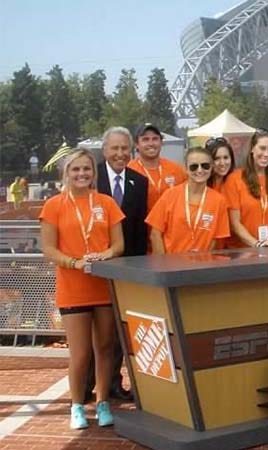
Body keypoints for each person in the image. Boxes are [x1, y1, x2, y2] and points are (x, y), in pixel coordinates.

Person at [39, 149, 124, 430]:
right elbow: (48, 248)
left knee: (104, 348)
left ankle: (102, 402)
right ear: (66, 173)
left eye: (86, 169)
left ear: (93, 172)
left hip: (103, 286)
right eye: (76, 169)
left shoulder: (106, 203)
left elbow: (118, 245)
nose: (81, 174)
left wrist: (104, 255)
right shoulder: (54, 204)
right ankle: (76, 405)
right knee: (80, 353)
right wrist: (73, 263)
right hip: (72, 287)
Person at [85, 126, 148, 403]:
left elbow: (136, 230)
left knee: (119, 332)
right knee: (91, 333)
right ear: (104, 150)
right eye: (115, 148)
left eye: (125, 149)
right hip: (92, 269)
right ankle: (86, 385)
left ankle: (112, 383)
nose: (120, 154)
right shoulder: (89, 177)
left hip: (127, 270)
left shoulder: (139, 181)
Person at [146, 147, 230, 254]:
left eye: (205, 166)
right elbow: (155, 234)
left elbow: (217, 239)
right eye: (194, 167)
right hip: (173, 265)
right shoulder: (169, 195)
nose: (200, 170)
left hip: (202, 266)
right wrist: (163, 264)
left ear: (211, 168)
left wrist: (205, 262)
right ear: (186, 169)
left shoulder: (219, 201)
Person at [223, 131, 268, 247]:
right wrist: (256, 244)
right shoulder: (234, 179)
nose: (266, 154)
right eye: (262, 148)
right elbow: (234, 223)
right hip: (242, 252)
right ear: (252, 149)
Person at [127, 124, 187, 213]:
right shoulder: (129, 171)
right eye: (145, 139)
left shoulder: (176, 169)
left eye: (155, 139)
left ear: (161, 142)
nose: (151, 144)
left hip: (170, 225)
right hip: (142, 226)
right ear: (136, 144)